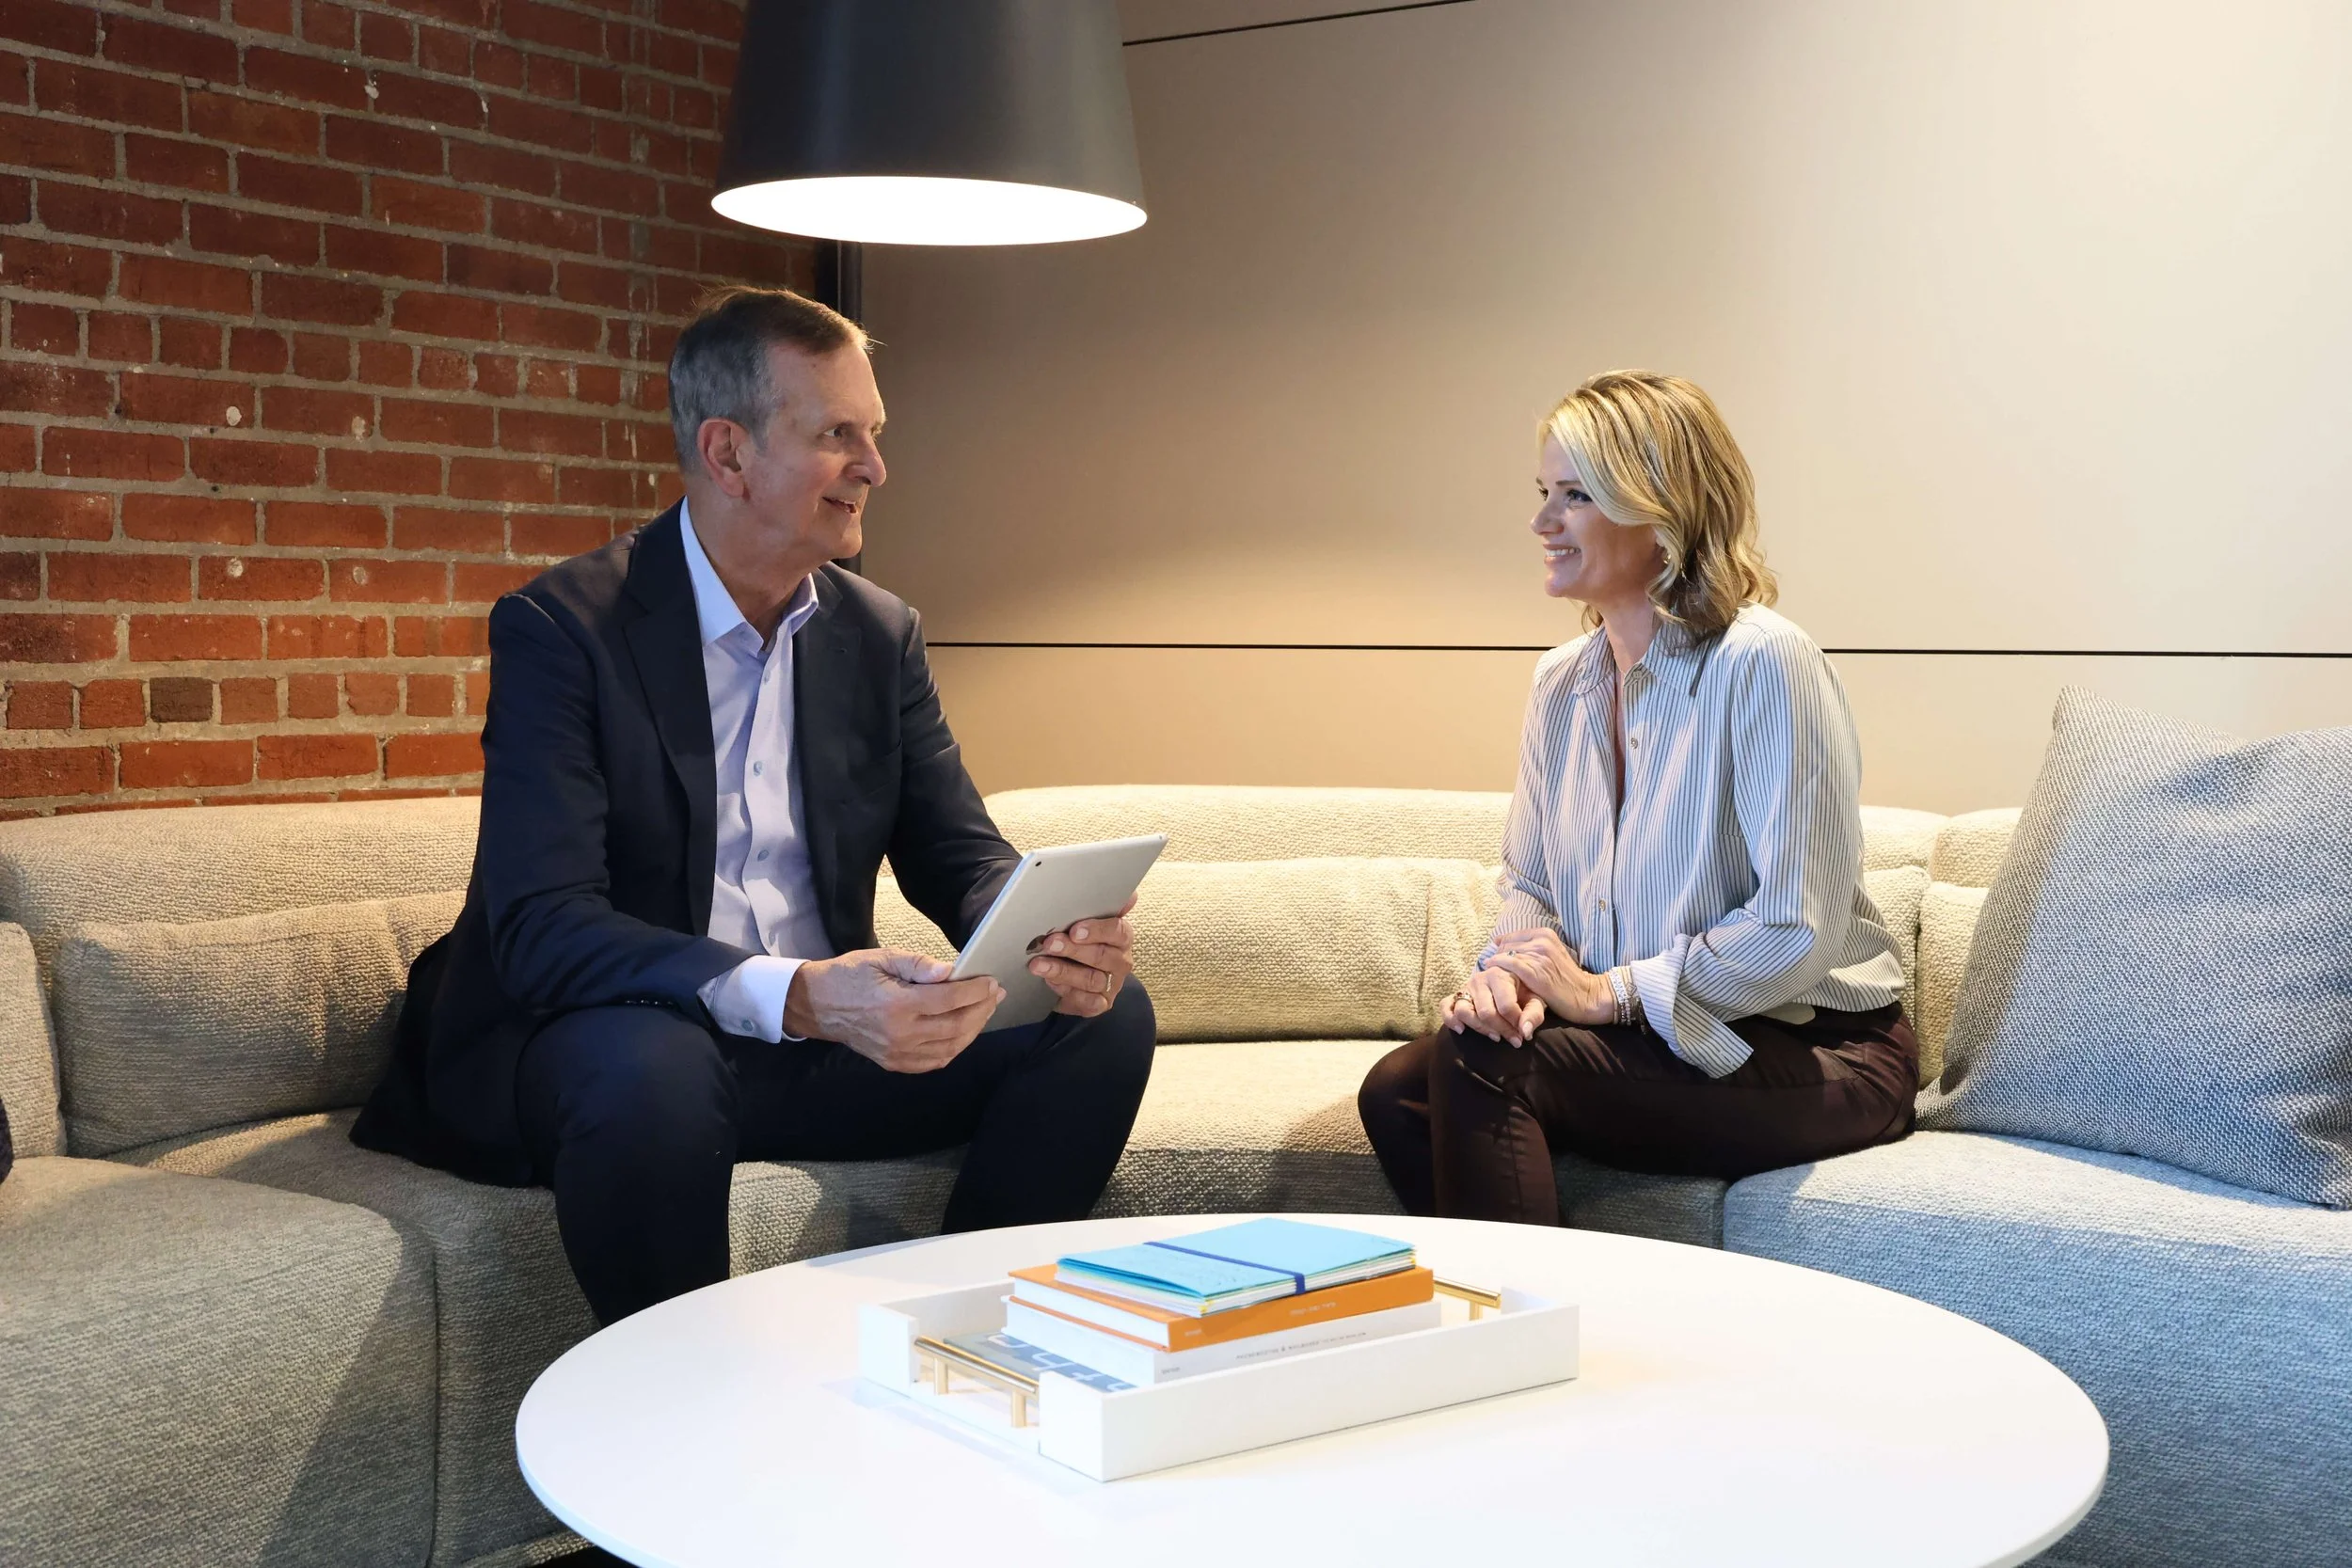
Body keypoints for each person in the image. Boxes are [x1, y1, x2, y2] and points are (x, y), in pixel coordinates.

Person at [354, 287, 1156, 1323]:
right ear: (729, 454)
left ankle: (960, 1340)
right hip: (628, 1041)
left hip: (820, 1044)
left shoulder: (878, 632)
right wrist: (800, 993)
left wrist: (1045, 933)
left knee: (1097, 1019)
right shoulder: (564, 629)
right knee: (654, 1068)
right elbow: (543, 926)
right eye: (838, 435)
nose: (875, 468)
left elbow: (955, 849)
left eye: (873, 434)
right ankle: (687, 1434)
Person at [1356, 371, 1915, 1223]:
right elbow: (1530, 884)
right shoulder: (1559, 682)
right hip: (1664, 1039)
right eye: (1544, 493)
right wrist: (1515, 979)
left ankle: (1517, 1346)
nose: (1542, 523)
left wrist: (1607, 993)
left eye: (1574, 496)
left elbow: (1797, 926)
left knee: (1479, 1068)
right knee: (1400, 1087)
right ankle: (1538, 1318)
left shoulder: (1762, 663)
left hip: (1817, 1048)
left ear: (1662, 512)